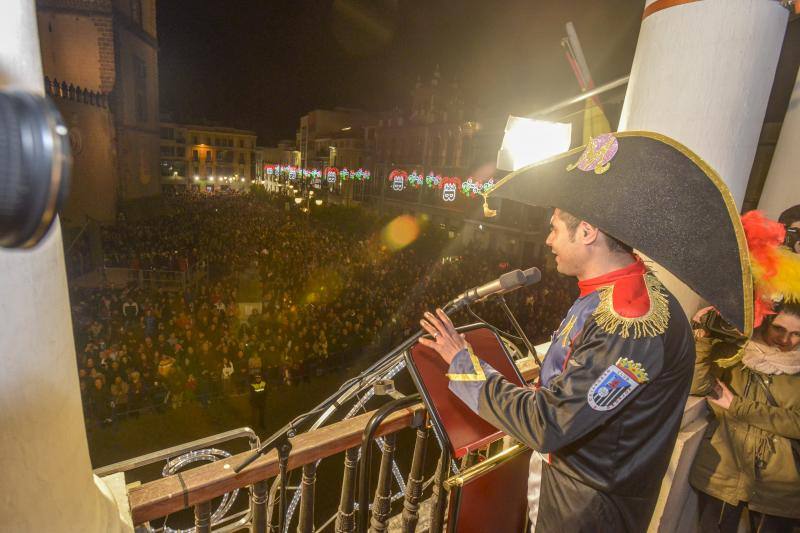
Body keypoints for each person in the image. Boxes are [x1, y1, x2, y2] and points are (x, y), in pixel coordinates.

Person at [419, 133, 752, 532]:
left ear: (589, 231)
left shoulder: (629, 321)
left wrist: (463, 363)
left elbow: (549, 423)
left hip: (590, 507)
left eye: (555, 228)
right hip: (585, 491)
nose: (547, 239)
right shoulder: (611, 294)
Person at [689, 306, 800, 531]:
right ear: (766, 322)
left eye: (797, 333)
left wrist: (736, 406)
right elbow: (697, 384)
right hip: (723, 473)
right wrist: (702, 335)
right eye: (779, 328)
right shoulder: (734, 354)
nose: (786, 340)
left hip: (779, 487)